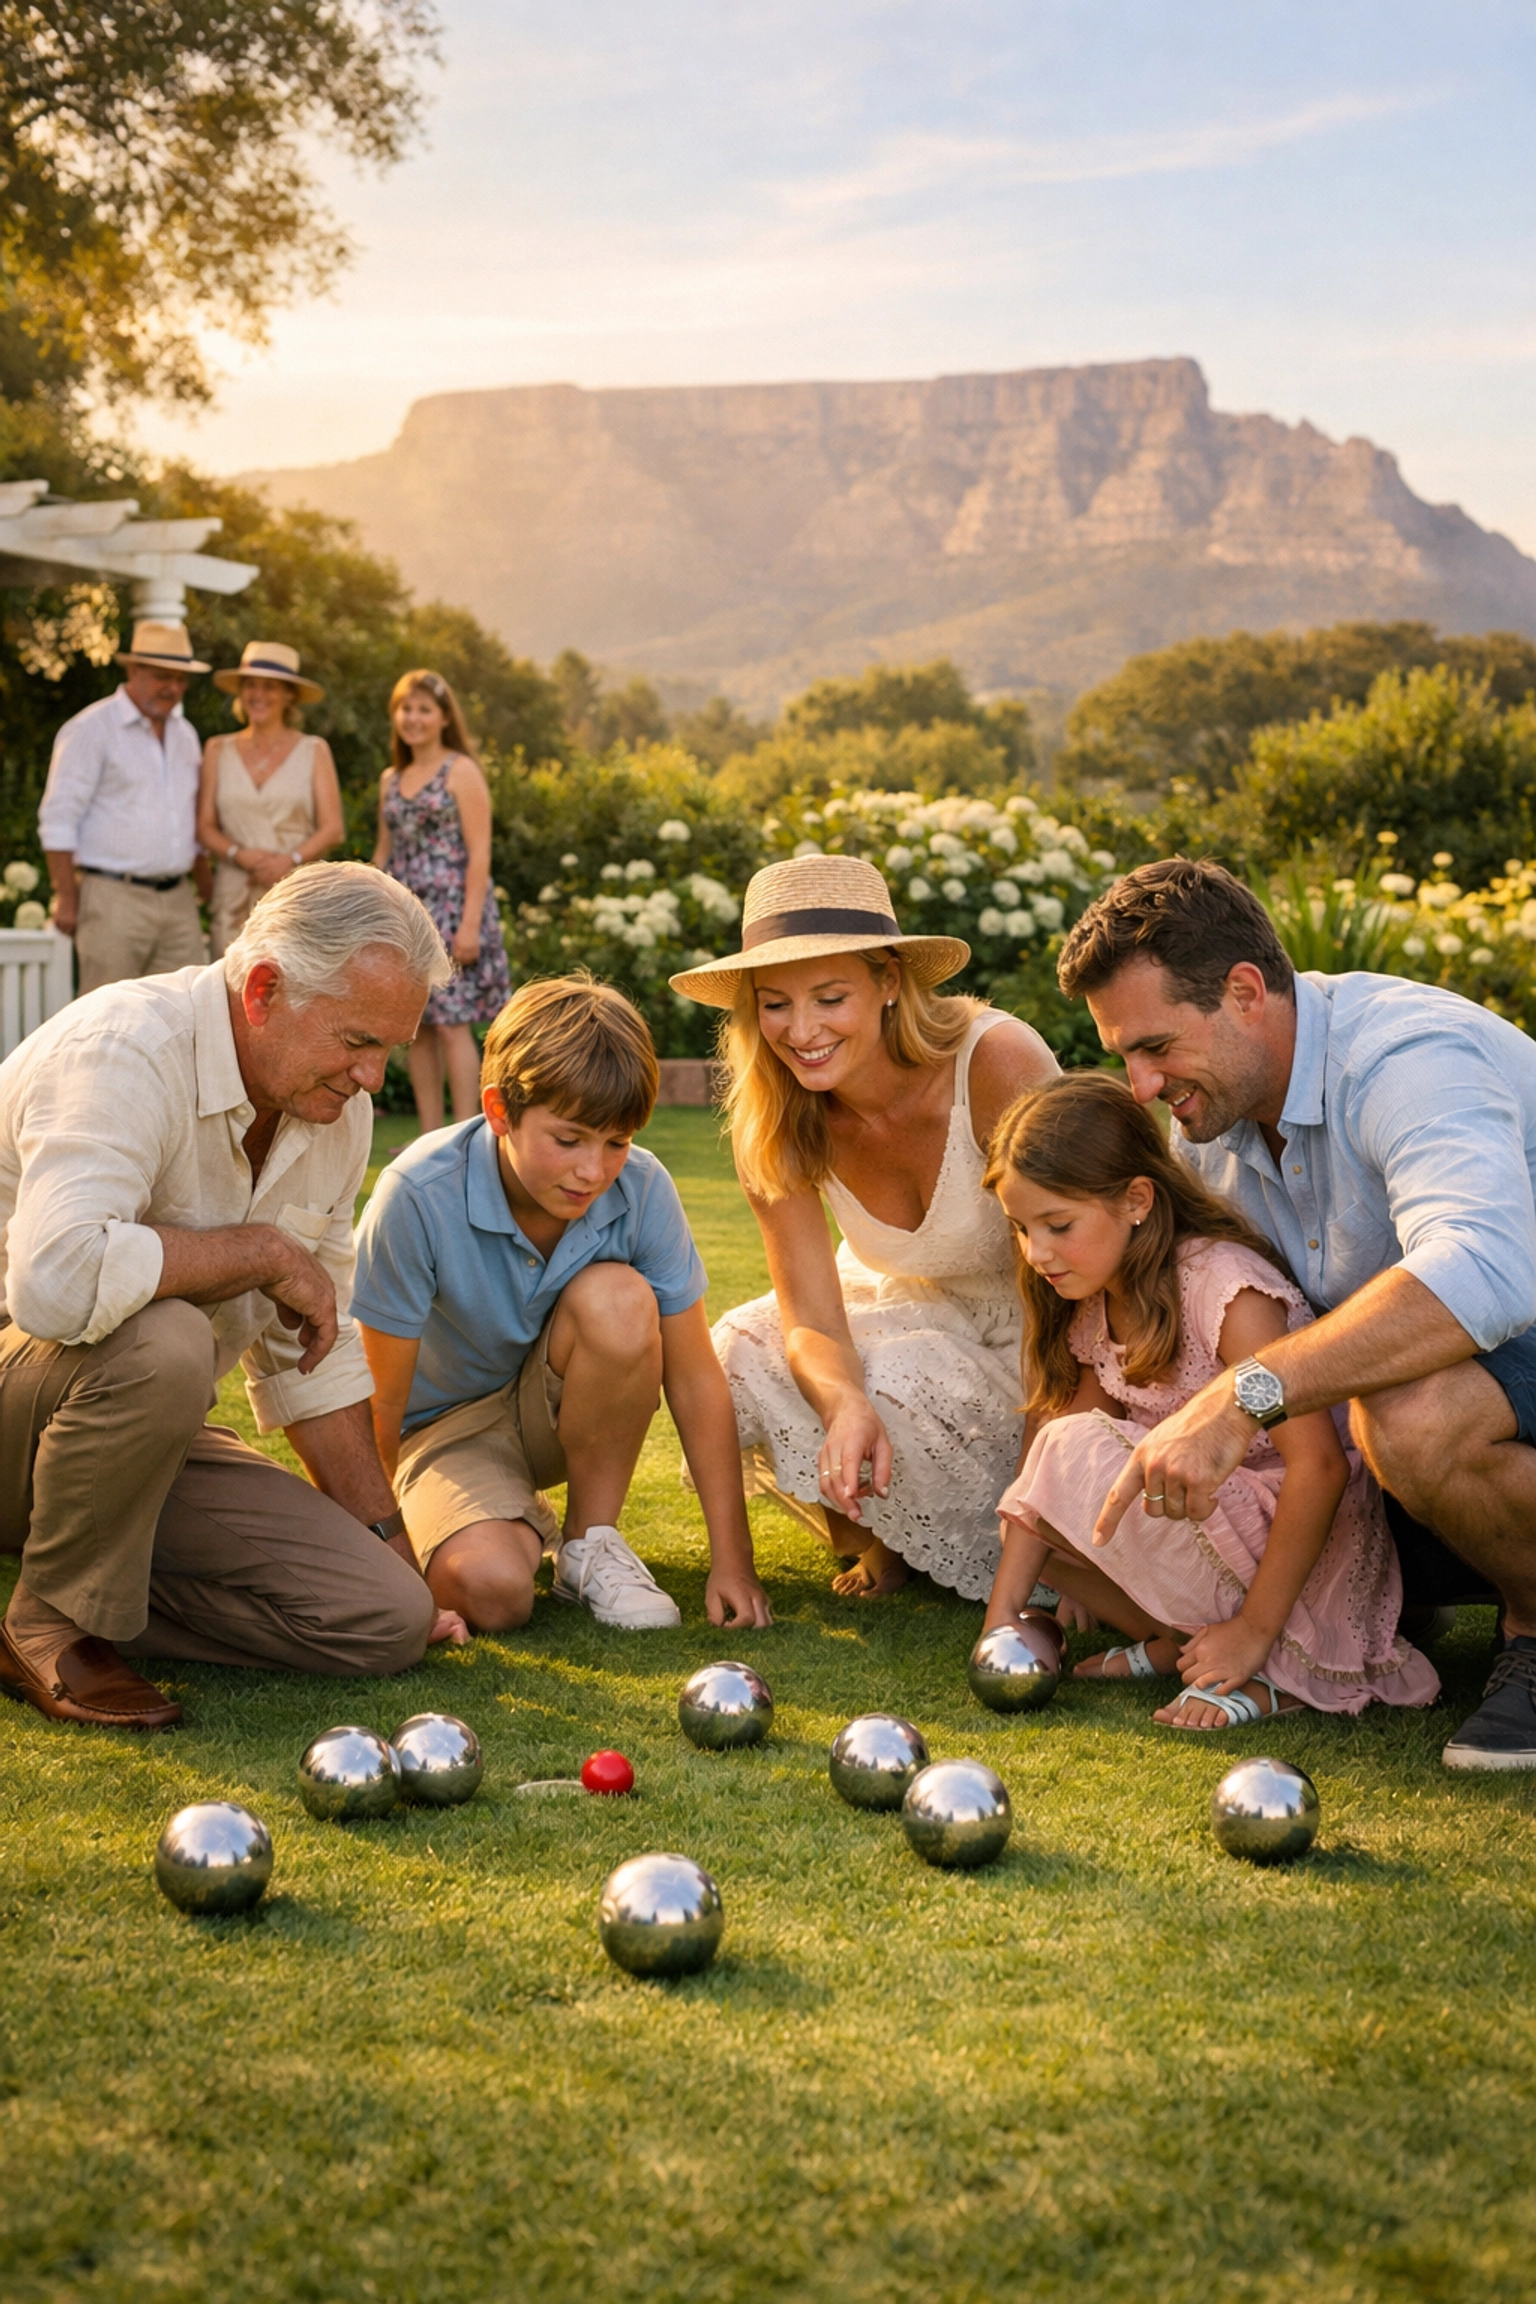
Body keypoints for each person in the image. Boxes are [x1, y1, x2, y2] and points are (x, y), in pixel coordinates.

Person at [1055, 855, 1536, 1770]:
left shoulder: (1406, 1058)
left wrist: (1245, 1396)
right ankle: (1402, 1594)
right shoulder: (1211, 1130)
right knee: (1335, 1422)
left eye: (1155, 1047)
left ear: (1244, 992)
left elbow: (1486, 1271)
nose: (1143, 1086)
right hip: (1487, 1382)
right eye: (1125, 1056)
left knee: (1406, 1412)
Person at [0, 864, 468, 1734]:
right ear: (263, 990)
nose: (373, 1078)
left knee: (384, 1619)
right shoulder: (124, 1047)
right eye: (357, 1041)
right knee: (167, 1342)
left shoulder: (333, 1106)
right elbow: (52, 1285)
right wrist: (254, 1251)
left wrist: (395, 1555)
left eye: (388, 1051)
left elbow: (310, 1352)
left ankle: (97, 1595)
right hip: (22, 1400)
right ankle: (49, 1623)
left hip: (133, 1439)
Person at [983, 1071, 1438, 1728]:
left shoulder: (1222, 1289)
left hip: (1297, 1533)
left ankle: (1270, 1660)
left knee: (1063, 1449)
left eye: (1057, 1225)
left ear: (1137, 1199)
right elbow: (1053, 1474)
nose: (1037, 1253)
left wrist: (1254, 1627)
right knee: (1031, 1520)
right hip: (1204, 1517)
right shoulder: (1098, 1299)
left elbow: (1321, 1467)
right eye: (1022, 1229)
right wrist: (1001, 1626)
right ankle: (1186, 1644)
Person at [669, 853, 1058, 1602]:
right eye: (775, 1003)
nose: (801, 1030)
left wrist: (1053, 1475)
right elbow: (810, 1315)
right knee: (740, 1351)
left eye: (829, 997)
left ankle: (934, 1542)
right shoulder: (774, 1110)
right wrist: (842, 1404)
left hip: (1040, 1329)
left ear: (888, 982)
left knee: (902, 1380)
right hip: (901, 1308)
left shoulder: (995, 1062)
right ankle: (880, 1534)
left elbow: (1082, 1274)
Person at [351, 974, 772, 1634]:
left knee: (620, 1299)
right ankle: (502, 1527)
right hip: (441, 1432)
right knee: (492, 1592)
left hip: (555, 1410)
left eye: (617, 1142)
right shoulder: (415, 1194)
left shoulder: (642, 1188)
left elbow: (693, 1377)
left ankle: (589, 1544)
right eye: (569, 1139)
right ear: (498, 1112)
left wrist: (734, 1560)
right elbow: (377, 1407)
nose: (593, 1172)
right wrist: (380, 1563)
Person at [39, 618, 212, 993]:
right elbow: (58, 818)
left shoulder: (186, 736)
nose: (173, 687)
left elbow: (190, 820)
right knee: (107, 1017)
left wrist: (206, 889)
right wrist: (66, 898)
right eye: (162, 676)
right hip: (113, 898)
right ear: (134, 669)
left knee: (187, 1012)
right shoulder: (91, 728)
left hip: (179, 901)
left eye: (181, 679)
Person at [372, 668, 511, 1132]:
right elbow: (384, 852)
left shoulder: (461, 770)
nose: (413, 718)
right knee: (418, 1028)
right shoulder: (391, 779)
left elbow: (480, 852)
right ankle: (428, 1140)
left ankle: (466, 1134)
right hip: (409, 918)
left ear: (444, 717)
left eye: (424, 709)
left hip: (454, 914)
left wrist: (469, 924)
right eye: (405, 708)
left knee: (453, 1024)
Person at [198, 640, 345, 956]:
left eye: (270, 686)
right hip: (233, 896)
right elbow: (205, 827)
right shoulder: (216, 749)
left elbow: (333, 828)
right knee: (227, 992)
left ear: (289, 695)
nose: (258, 694)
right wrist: (240, 854)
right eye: (250, 685)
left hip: (292, 894)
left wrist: (287, 861)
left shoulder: (313, 750)